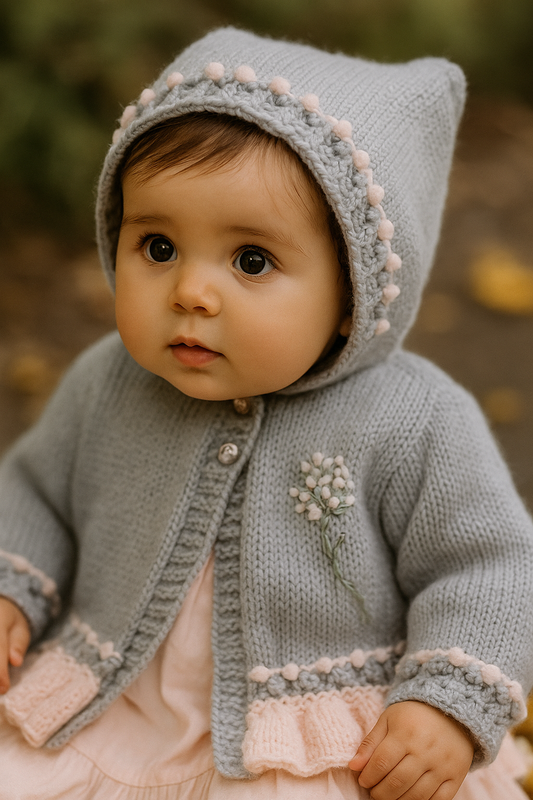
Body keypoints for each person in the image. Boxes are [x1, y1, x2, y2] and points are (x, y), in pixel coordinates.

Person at [0, 26, 532, 800]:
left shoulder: (413, 419)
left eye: (251, 260)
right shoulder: (108, 381)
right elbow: (35, 494)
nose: (190, 291)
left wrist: (443, 702)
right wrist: (12, 587)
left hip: (316, 748)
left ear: (355, 296)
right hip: (116, 705)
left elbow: (490, 566)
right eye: (156, 246)